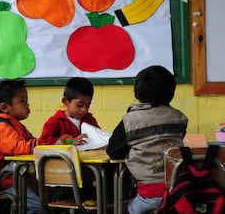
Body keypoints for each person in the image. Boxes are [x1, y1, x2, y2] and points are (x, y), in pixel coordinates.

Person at [106, 65, 188, 214]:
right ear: (171, 93)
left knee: (127, 209)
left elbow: (112, 151)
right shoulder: (180, 118)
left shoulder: (130, 121)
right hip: (179, 189)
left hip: (149, 193)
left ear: (137, 93)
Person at [0, 79, 47, 214]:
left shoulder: (15, 125)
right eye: (22, 101)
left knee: (48, 199)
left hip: (17, 178)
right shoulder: (0, 128)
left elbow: (32, 141)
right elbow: (19, 148)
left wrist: (51, 143)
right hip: (5, 183)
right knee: (37, 208)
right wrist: (45, 143)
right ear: (5, 107)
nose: (28, 105)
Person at [39, 77, 100, 146]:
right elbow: (44, 143)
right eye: (79, 105)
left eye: (87, 106)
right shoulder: (55, 122)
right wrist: (71, 142)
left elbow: (99, 138)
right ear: (65, 101)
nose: (84, 110)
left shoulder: (90, 120)